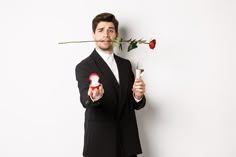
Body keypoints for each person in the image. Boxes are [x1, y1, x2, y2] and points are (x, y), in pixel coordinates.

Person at [75, 12, 146, 157]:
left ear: (116, 35)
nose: (105, 34)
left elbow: (133, 104)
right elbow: (85, 99)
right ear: (93, 35)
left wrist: (138, 96)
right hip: (100, 143)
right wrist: (94, 97)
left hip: (127, 142)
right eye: (100, 30)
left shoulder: (126, 65)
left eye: (110, 30)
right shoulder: (84, 66)